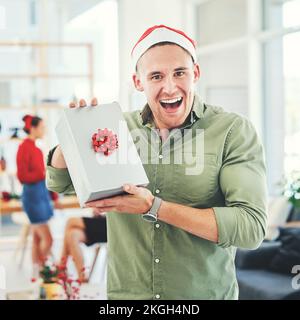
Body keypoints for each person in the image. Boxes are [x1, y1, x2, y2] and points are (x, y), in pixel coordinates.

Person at [46, 25, 267, 299]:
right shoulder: (117, 129)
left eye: (179, 73)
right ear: (139, 82)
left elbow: (251, 227)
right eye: (156, 76)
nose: (169, 87)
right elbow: (60, 183)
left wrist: (154, 207)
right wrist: (74, 133)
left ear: (195, 73)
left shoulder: (232, 131)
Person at [16, 115, 59, 276]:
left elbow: (44, 177)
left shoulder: (36, 148)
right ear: (33, 128)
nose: (44, 130)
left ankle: (37, 273)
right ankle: (43, 271)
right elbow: (22, 177)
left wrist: (53, 197)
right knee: (48, 239)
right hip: (33, 198)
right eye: (42, 127)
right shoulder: (24, 148)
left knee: (37, 239)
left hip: (41, 196)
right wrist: (42, 174)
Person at [60, 211, 107, 283]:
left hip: (110, 225)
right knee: (72, 235)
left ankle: (61, 267)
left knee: (71, 221)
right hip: (103, 220)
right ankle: (81, 276)